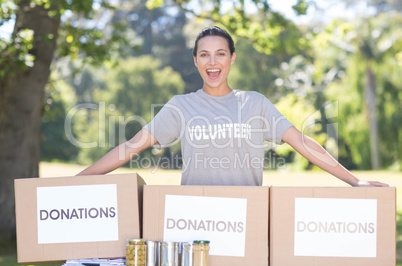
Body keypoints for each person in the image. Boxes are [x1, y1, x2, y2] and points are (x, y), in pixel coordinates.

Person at [78, 26, 388, 187]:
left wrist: (354, 180)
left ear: (232, 58)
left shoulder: (255, 103)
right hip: (192, 219)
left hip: (244, 217)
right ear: (196, 61)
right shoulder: (180, 107)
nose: (212, 62)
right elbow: (131, 147)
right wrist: (79, 180)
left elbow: (303, 143)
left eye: (220, 54)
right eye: (204, 55)